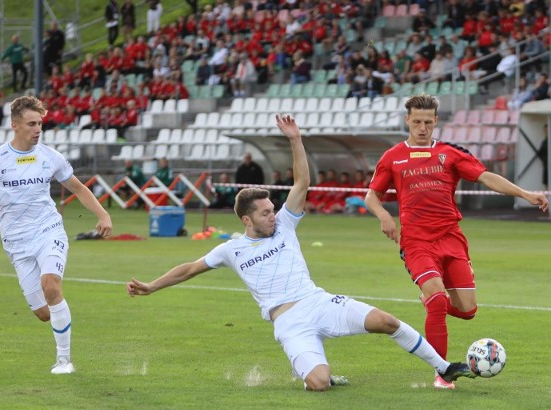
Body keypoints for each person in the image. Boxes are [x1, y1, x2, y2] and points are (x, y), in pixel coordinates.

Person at [127, 114, 475, 392]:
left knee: (387, 322)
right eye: (265, 212)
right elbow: (189, 268)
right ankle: (315, 371)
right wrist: (152, 286)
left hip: (319, 302)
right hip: (289, 322)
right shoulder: (230, 249)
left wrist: (296, 140)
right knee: (319, 384)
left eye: (272, 208)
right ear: (247, 220)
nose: (273, 214)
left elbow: (301, 184)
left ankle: (444, 367)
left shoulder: (285, 225)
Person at [364, 95, 549, 390]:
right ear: (407, 121)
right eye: (416, 122)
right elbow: (371, 195)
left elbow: (486, 177)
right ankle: (443, 373)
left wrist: (525, 194)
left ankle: (432, 302)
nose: (422, 127)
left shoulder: (450, 153)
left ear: (436, 121)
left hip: (451, 238)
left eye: (427, 122)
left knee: (467, 310)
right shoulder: (393, 156)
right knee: (438, 301)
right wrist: (384, 216)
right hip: (416, 242)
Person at [0, 96, 113, 374]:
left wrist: (102, 214)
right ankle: (59, 316)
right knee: (44, 313)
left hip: (48, 231)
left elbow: (78, 188)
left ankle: (64, 360)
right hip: (16, 244)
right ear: (15, 125)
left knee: (51, 285)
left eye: (40, 123)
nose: (37, 129)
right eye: (31, 124)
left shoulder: (50, 157)